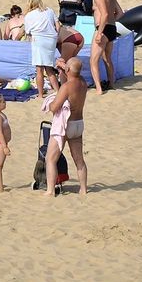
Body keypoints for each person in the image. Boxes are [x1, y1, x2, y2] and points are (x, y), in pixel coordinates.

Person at [44, 58, 89, 196]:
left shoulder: (67, 87)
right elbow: (73, 71)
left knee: (50, 159)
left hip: (65, 125)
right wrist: (63, 66)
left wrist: (50, 103)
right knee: (79, 160)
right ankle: (83, 189)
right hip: (78, 124)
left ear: (68, 70)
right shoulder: (82, 82)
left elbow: (54, 107)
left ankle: (50, 190)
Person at [86, 0, 123, 95]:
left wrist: (99, 32)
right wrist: (111, 23)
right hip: (112, 28)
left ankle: (98, 89)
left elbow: (105, 14)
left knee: (93, 60)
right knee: (107, 58)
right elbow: (120, 13)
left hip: (103, 29)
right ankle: (111, 84)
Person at [24, 0, 60, 98]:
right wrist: (56, 36)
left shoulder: (29, 15)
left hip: (39, 39)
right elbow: (58, 25)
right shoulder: (49, 10)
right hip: (51, 39)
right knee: (49, 67)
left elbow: (28, 32)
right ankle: (57, 91)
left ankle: (40, 94)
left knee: (39, 69)